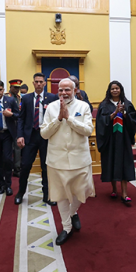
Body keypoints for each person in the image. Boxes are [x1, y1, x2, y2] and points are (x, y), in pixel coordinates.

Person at [40, 78, 96, 246]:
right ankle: (66, 227)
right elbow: (44, 134)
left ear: (75, 90)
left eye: (67, 90)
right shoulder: (51, 107)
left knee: (84, 190)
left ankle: (72, 213)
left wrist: (69, 119)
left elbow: (88, 130)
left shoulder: (83, 106)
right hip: (56, 160)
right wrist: (58, 119)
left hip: (80, 159)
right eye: (61, 90)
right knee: (61, 196)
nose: (63, 93)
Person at [17, 73, 59, 205]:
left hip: (46, 136)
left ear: (45, 83)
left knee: (46, 167)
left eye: (41, 81)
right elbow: (21, 118)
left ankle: (47, 195)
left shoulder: (52, 98)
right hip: (30, 136)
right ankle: (20, 193)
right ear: (33, 83)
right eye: (36, 81)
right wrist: (20, 135)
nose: (39, 84)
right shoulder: (27, 98)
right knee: (25, 166)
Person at [96, 81, 136, 206]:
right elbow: (101, 122)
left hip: (123, 139)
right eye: (112, 88)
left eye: (117, 88)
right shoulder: (104, 105)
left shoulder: (127, 104)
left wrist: (124, 113)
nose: (115, 90)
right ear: (109, 91)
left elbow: (133, 121)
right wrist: (115, 113)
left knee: (124, 164)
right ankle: (114, 190)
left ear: (121, 90)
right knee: (111, 163)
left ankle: (124, 194)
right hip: (110, 140)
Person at [8, 79, 25, 187]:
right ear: (11, 87)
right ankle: (8, 168)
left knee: (18, 148)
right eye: (15, 88)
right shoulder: (7, 97)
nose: (17, 90)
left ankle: (17, 169)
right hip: (9, 125)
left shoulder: (19, 97)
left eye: (18, 88)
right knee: (8, 149)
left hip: (17, 125)